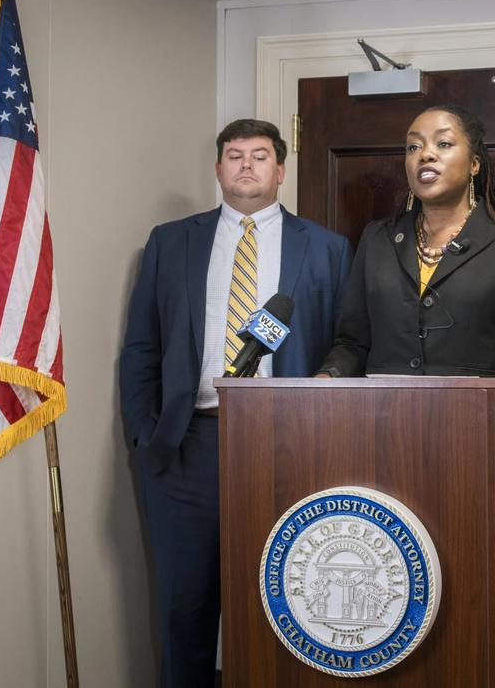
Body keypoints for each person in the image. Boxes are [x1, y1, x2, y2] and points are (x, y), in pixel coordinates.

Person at [119, 119, 352, 687]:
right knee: (185, 609)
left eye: (260, 156)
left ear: (281, 171)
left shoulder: (327, 248)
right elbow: (142, 347)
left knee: (286, 602)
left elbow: (350, 339)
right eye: (234, 155)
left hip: (289, 447)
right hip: (187, 448)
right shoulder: (171, 242)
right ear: (218, 169)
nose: (246, 165)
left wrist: (328, 386)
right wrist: (146, 435)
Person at [317, 104, 495, 418]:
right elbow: (352, 341)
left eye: (443, 144)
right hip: (379, 420)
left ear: (474, 163)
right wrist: (327, 376)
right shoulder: (377, 239)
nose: (425, 155)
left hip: (473, 419)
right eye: (414, 146)